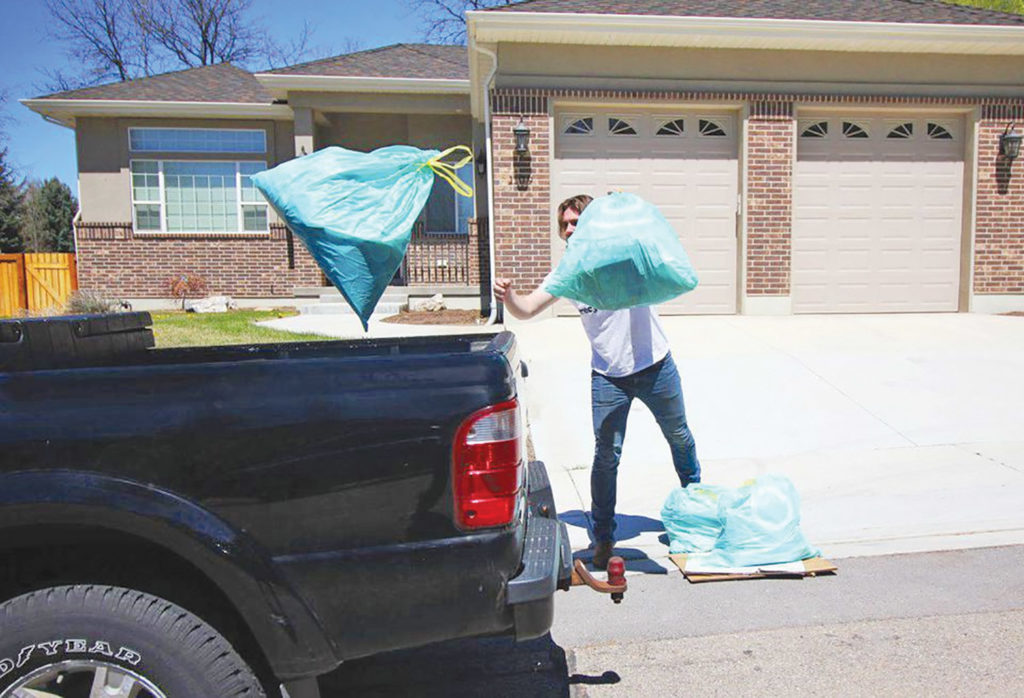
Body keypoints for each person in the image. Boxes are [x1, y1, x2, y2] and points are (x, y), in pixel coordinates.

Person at [493, 194, 701, 569]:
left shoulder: (626, 255)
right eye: (565, 224)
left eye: (577, 222)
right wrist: (509, 296)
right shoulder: (570, 274)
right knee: (606, 457)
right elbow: (526, 309)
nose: (570, 229)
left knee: (680, 437)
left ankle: (698, 512)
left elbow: (669, 264)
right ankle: (604, 539)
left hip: (655, 365)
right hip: (608, 376)